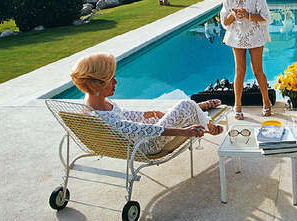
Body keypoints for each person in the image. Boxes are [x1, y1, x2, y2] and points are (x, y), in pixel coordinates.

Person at [70, 52, 223, 155]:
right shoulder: (104, 117)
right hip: (146, 144)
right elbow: (139, 128)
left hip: (138, 137)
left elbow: (123, 115)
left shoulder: (92, 103)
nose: (116, 82)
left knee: (161, 114)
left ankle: (199, 108)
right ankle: (207, 123)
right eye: (111, 79)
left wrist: (146, 113)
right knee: (185, 104)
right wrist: (183, 132)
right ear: (98, 84)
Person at [210, 0, 273, 120]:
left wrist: (248, 15)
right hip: (236, 36)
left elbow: (266, 18)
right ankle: (237, 104)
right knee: (239, 70)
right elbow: (225, 22)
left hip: (255, 36)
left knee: (257, 70)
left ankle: (266, 101)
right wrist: (233, 14)